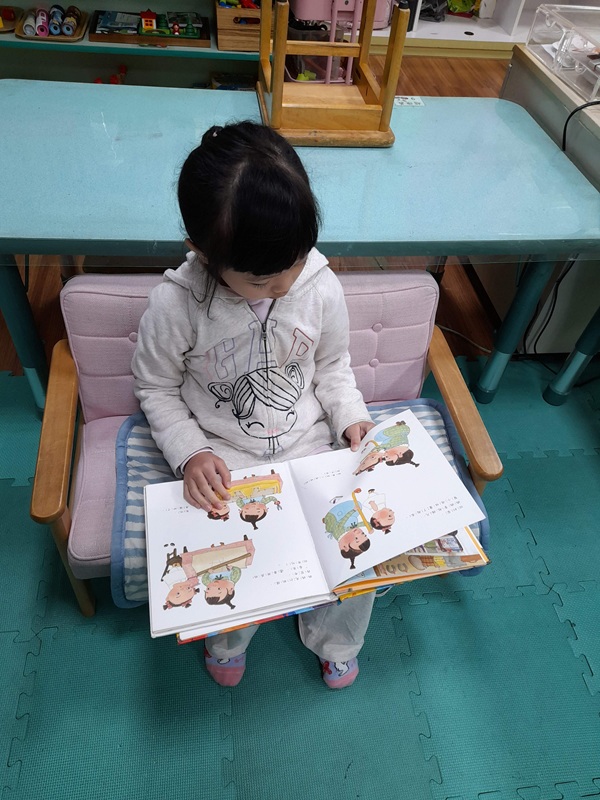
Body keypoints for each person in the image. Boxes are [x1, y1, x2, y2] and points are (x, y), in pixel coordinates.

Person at [132, 121, 376, 690]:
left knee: (354, 550)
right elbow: (156, 388)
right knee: (228, 560)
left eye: (296, 261)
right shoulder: (176, 305)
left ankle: (336, 641)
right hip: (225, 454)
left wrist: (351, 417)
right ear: (202, 252)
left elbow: (333, 366)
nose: (285, 285)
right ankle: (228, 639)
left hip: (310, 444)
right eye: (263, 280)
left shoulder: (319, 285)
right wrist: (190, 453)